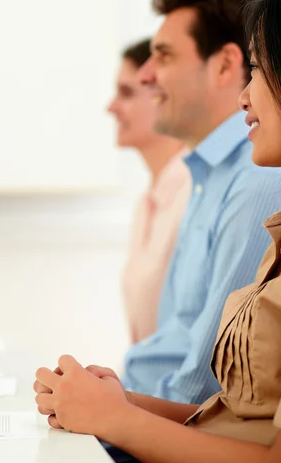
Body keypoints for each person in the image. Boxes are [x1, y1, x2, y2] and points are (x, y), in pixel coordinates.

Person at [34, 0, 281, 463]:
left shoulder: (270, 199)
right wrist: (118, 403)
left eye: (259, 71)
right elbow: (234, 413)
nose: (244, 97)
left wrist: (116, 418)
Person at [118, 0, 281, 405]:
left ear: (226, 65)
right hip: (152, 410)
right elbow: (182, 335)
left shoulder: (255, 177)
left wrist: (118, 412)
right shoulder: (206, 175)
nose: (145, 75)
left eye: (164, 55)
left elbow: (207, 379)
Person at [107, 39, 191, 344]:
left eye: (126, 93)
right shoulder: (147, 203)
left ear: (164, 95)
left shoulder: (194, 193)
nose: (111, 107)